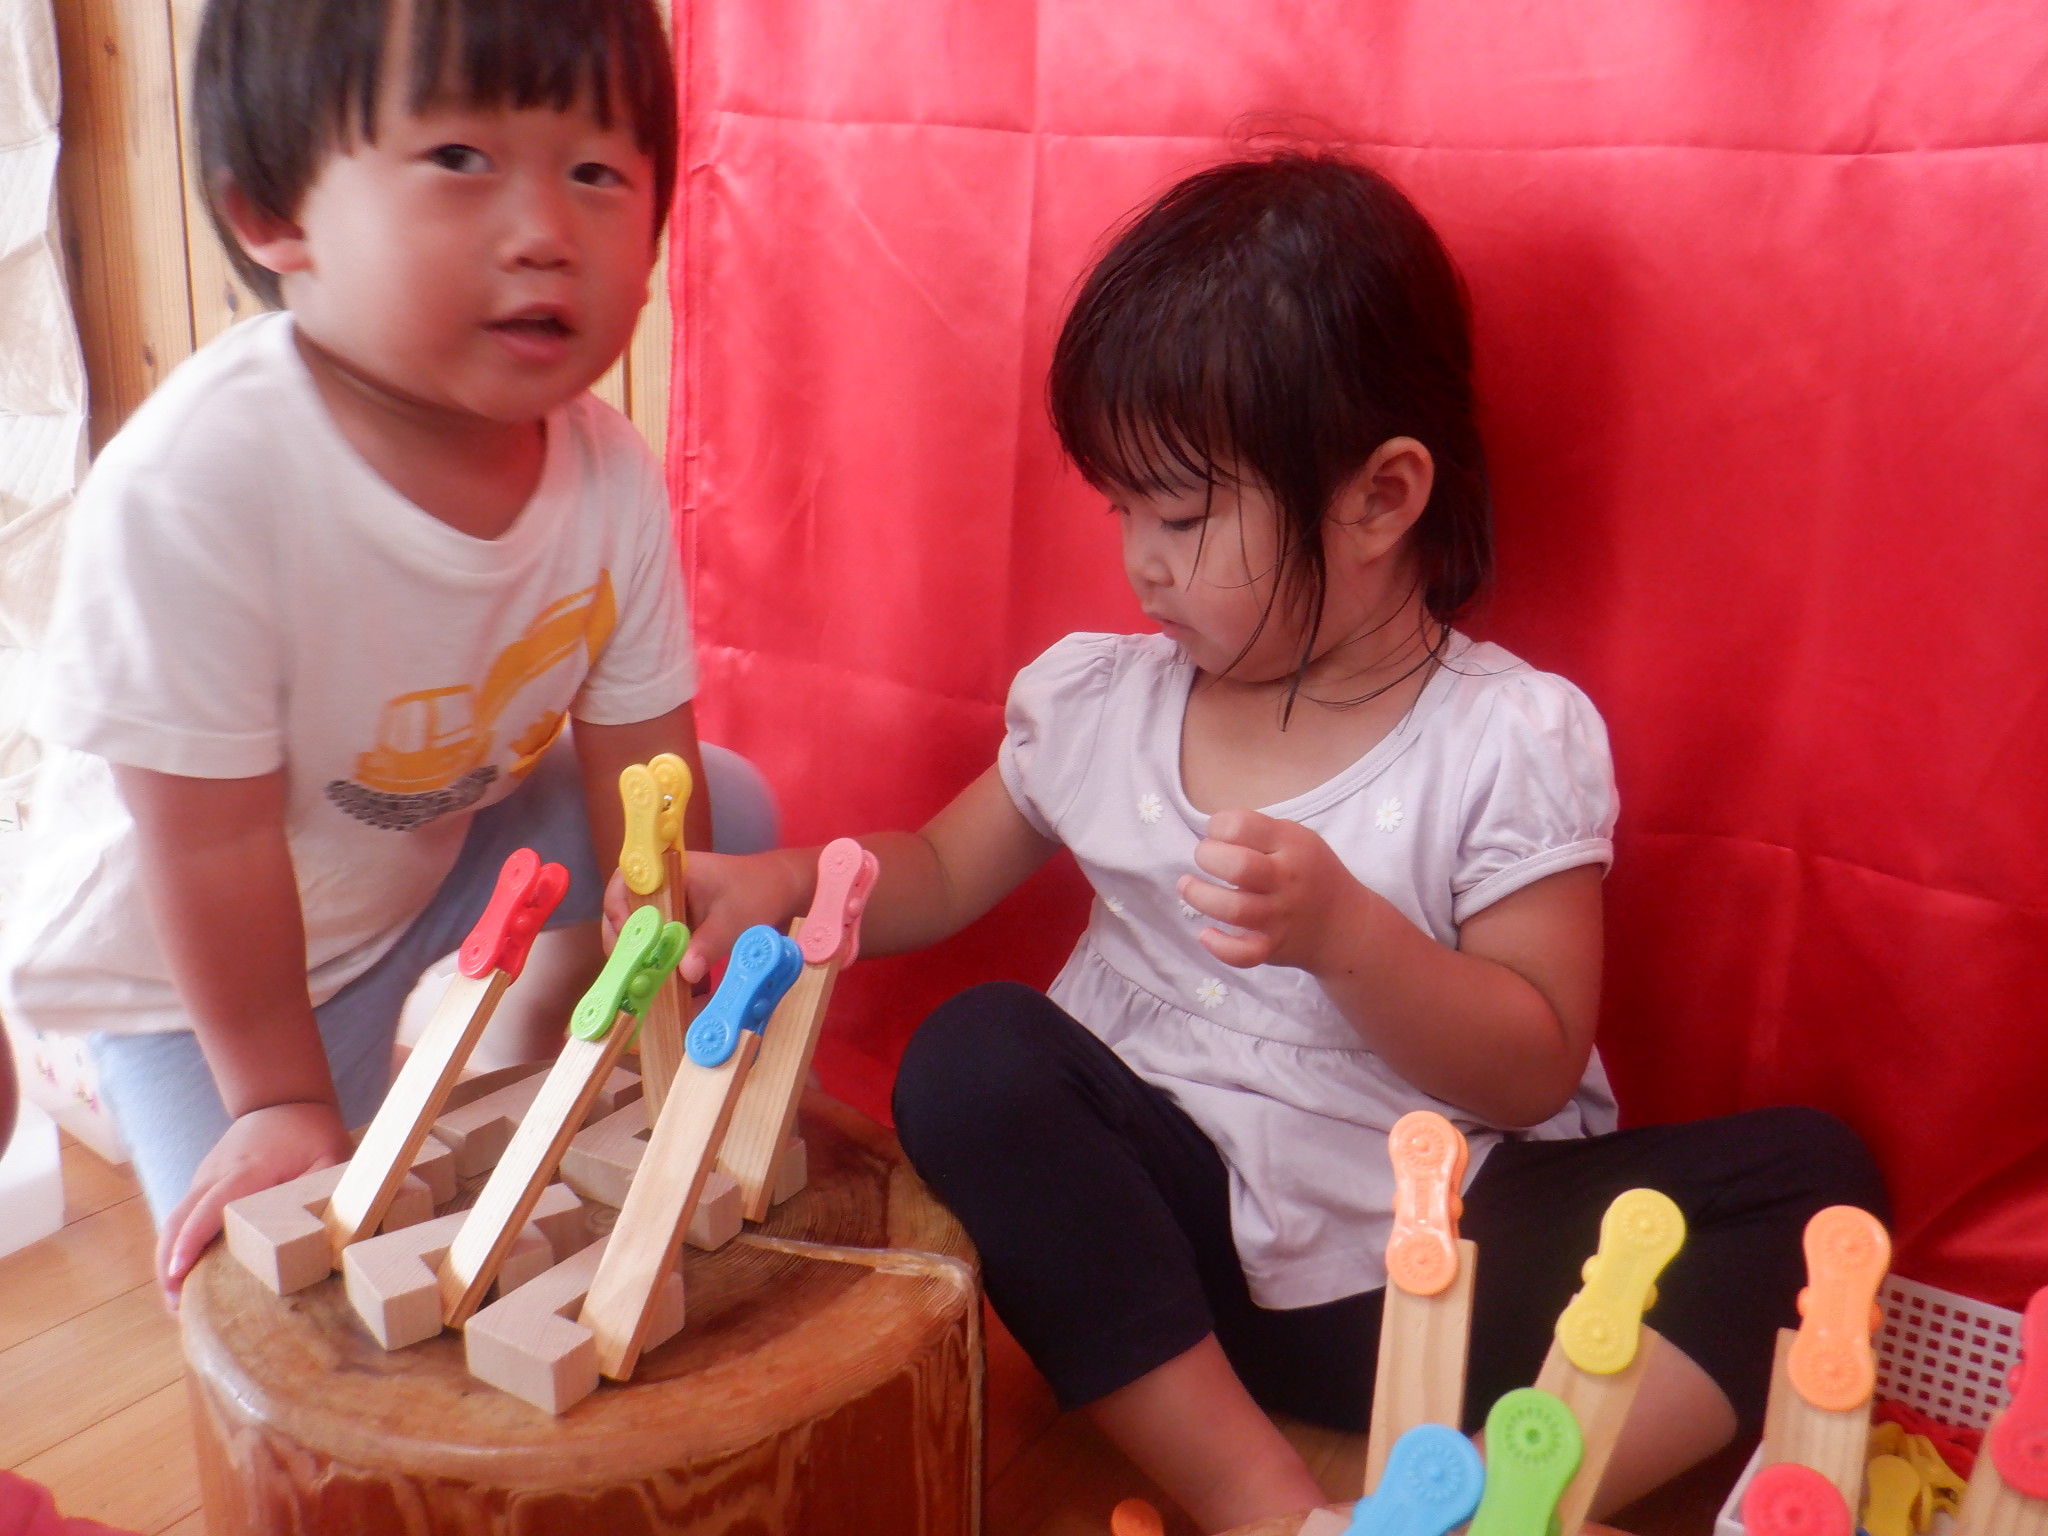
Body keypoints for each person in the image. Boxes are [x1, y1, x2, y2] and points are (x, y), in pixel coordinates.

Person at [667, 152, 1888, 1532]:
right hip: (1163, 1275)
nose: (1140, 559)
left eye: (1183, 515)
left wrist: (1352, 940)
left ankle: (1487, 1507)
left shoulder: (1505, 737)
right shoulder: (1101, 702)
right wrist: (793, 883)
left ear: (1380, 498)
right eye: (1122, 508)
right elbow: (942, 869)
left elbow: (1536, 1058)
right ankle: (1266, 1507)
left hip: (1430, 1267)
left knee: (1816, 1188)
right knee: (973, 1059)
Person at [0, 0, 773, 1304]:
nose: (544, 231)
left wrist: (661, 992)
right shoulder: (200, 487)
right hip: (203, 979)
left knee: (722, 824)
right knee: (269, 1292)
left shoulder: (610, 474)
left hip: (433, 861)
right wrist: (280, 1101)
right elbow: (211, 848)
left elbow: (645, 768)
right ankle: (299, 1098)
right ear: (272, 214)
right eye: (460, 159)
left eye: (597, 171)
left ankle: (528, 1055)